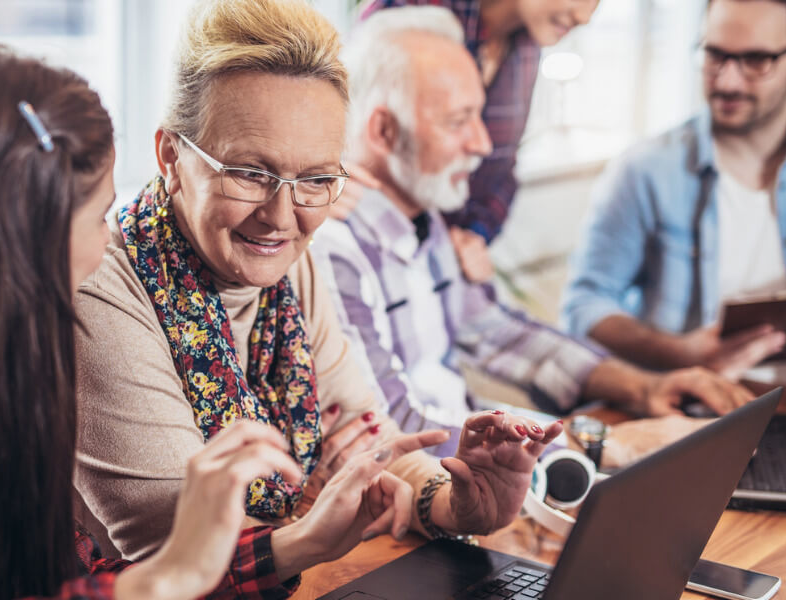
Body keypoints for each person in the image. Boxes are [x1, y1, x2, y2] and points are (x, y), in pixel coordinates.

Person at [0, 44, 447, 600]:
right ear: (20, 229)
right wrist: (179, 569)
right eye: (99, 216)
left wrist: (293, 545)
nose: (109, 243)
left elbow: (58, 581)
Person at [73, 0, 563, 561]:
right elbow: (171, 552)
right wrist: (309, 535)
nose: (282, 217)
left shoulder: (290, 265)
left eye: (315, 179)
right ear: (170, 155)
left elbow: (363, 435)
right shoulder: (102, 297)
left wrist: (456, 503)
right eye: (250, 174)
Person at [309, 6, 754, 457]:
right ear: (383, 131)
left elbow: (502, 334)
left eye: (480, 116)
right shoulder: (333, 251)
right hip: (425, 493)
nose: (483, 144)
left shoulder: (430, 225)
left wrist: (644, 387)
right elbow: (395, 434)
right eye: (458, 120)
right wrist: (598, 448)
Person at [562, 0, 786, 381]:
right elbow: (583, 307)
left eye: (755, 60)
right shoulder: (646, 170)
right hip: (688, 407)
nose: (728, 81)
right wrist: (680, 354)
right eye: (714, 54)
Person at [356, 0, 599, 283]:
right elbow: (345, 135)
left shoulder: (528, 47)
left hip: (451, 268)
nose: (585, 17)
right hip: (380, 258)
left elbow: (504, 166)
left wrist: (475, 235)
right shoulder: (409, 12)